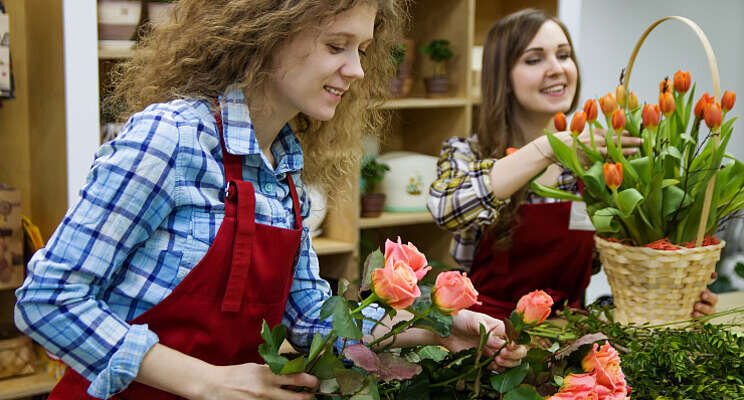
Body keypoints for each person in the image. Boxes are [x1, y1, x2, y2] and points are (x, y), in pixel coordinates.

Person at [15, 1, 525, 399]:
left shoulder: (284, 171)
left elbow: (312, 322)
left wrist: (436, 329)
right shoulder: (170, 138)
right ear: (266, 33)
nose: (357, 70)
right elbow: (48, 301)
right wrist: (206, 382)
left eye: (361, 50)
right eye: (336, 45)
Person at [427, 8, 718, 321]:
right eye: (534, 59)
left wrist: (675, 291)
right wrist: (550, 149)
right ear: (503, 78)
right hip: (484, 337)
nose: (556, 69)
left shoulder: (601, 164)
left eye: (563, 55)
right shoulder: (467, 153)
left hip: (569, 338)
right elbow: (446, 208)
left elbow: (632, 258)